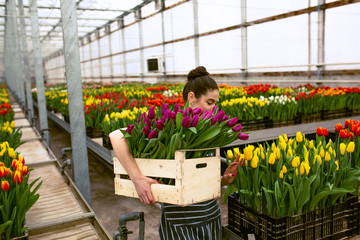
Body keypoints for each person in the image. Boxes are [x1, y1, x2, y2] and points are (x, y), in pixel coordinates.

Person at [110, 66, 241, 239]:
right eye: (210, 102)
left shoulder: (211, 132)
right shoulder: (170, 124)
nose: (214, 108)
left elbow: (194, 180)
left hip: (210, 218)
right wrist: (137, 179)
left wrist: (224, 179)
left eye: (215, 103)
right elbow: (116, 135)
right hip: (180, 223)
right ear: (192, 97)